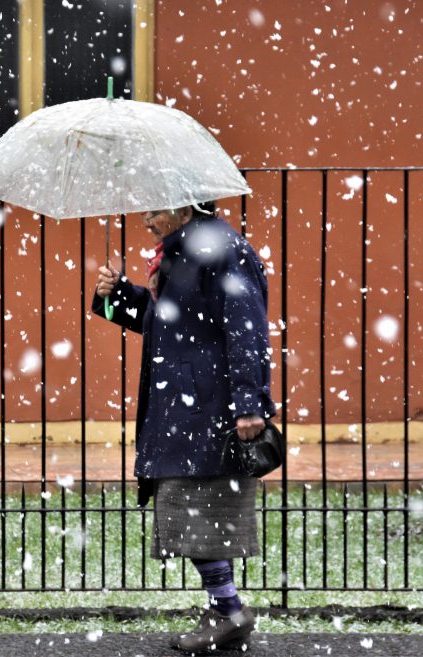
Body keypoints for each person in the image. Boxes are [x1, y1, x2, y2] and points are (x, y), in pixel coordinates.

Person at [93, 201, 275, 655]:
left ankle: (228, 610)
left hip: (206, 408)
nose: (145, 219)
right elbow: (161, 325)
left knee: (197, 508)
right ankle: (226, 610)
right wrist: (115, 297)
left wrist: (249, 404)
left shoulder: (222, 250)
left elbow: (246, 328)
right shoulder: (180, 254)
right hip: (183, 408)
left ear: (183, 207)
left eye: (154, 210)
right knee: (187, 509)